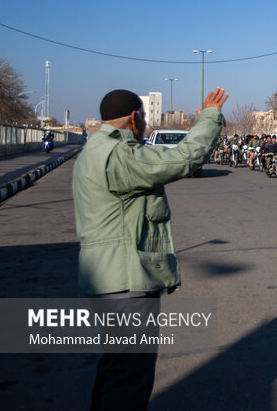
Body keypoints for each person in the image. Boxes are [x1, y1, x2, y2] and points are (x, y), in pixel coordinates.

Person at [72, 87, 228, 411]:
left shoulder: (94, 149)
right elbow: (183, 158)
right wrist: (210, 117)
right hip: (125, 281)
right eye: (143, 116)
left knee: (116, 369)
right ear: (134, 118)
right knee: (130, 376)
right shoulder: (119, 155)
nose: (144, 122)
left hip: (105, 278)